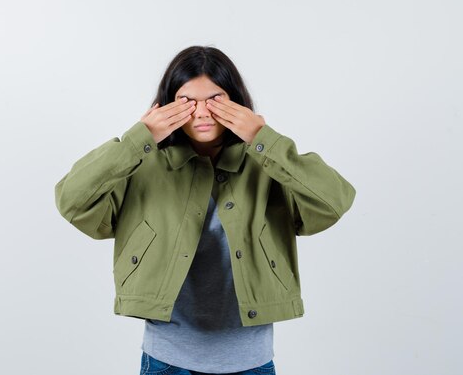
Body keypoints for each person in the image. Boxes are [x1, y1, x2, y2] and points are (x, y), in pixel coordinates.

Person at [54, 46, 356, 375]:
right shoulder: (143, 162)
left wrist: (261, 138)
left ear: (237, 102)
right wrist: (137, 139)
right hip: (167, 360)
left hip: (251, 360)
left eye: (215, 100)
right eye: (186, 102)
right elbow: (71, 200)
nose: (201, 113)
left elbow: (334, 200)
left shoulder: (266, 162)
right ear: (166, 104)